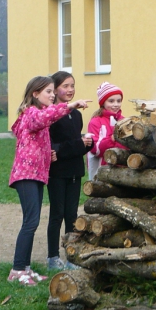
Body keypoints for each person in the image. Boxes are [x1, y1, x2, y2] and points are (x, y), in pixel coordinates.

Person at [8, 76, 90, 285]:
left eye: (54, 91)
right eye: (48, 92)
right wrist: (69, 105)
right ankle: (17, 270)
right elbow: (46, 117)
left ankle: (26, 269)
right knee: (31, 222)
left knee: (32, 221)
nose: (52, 95)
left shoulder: (39, 115)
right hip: (26, 175)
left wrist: (49, 154)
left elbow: (39, 137)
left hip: (36, 175)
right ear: (35, 94)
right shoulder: (32, 113)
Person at [46, 71, 94, 271]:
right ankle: (52, 257)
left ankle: (71, 256)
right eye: (65, 86)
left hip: (74, 170)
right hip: (57, 172)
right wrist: (77, 145)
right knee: (57, 214)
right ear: (55, 89)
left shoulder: (77, 115)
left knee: (72, 215)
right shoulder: (51, 115)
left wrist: (87, 144)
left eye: (72, 85)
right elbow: (54, 148)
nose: (70, 90)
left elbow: (75, 146)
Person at [87, 82, 126, 175]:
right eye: (111, 101)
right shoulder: (95, 122)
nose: (116, 104)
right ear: (103, 103)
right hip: (103, 172)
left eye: (119, 101)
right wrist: (112, 139)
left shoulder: (124, 121)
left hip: (123, 171)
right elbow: (95, 149)